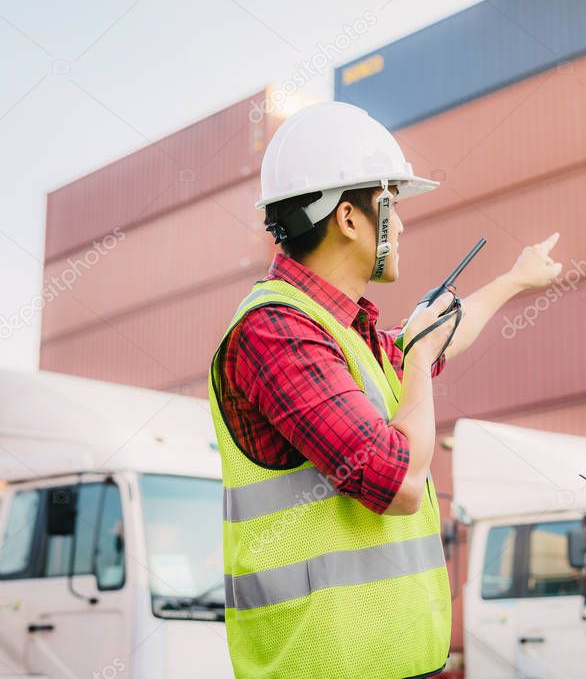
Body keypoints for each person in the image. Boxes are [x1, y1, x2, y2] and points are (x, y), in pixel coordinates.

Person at [208, 102, 562, 678]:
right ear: (349, 218)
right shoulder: (274, 331)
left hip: (396, 663)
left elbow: (442, 333)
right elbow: (395, 480)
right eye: (392, 206)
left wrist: (514, 279)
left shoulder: (350, 335)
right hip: (324, 667)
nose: (403, 225)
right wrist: (419, 359)